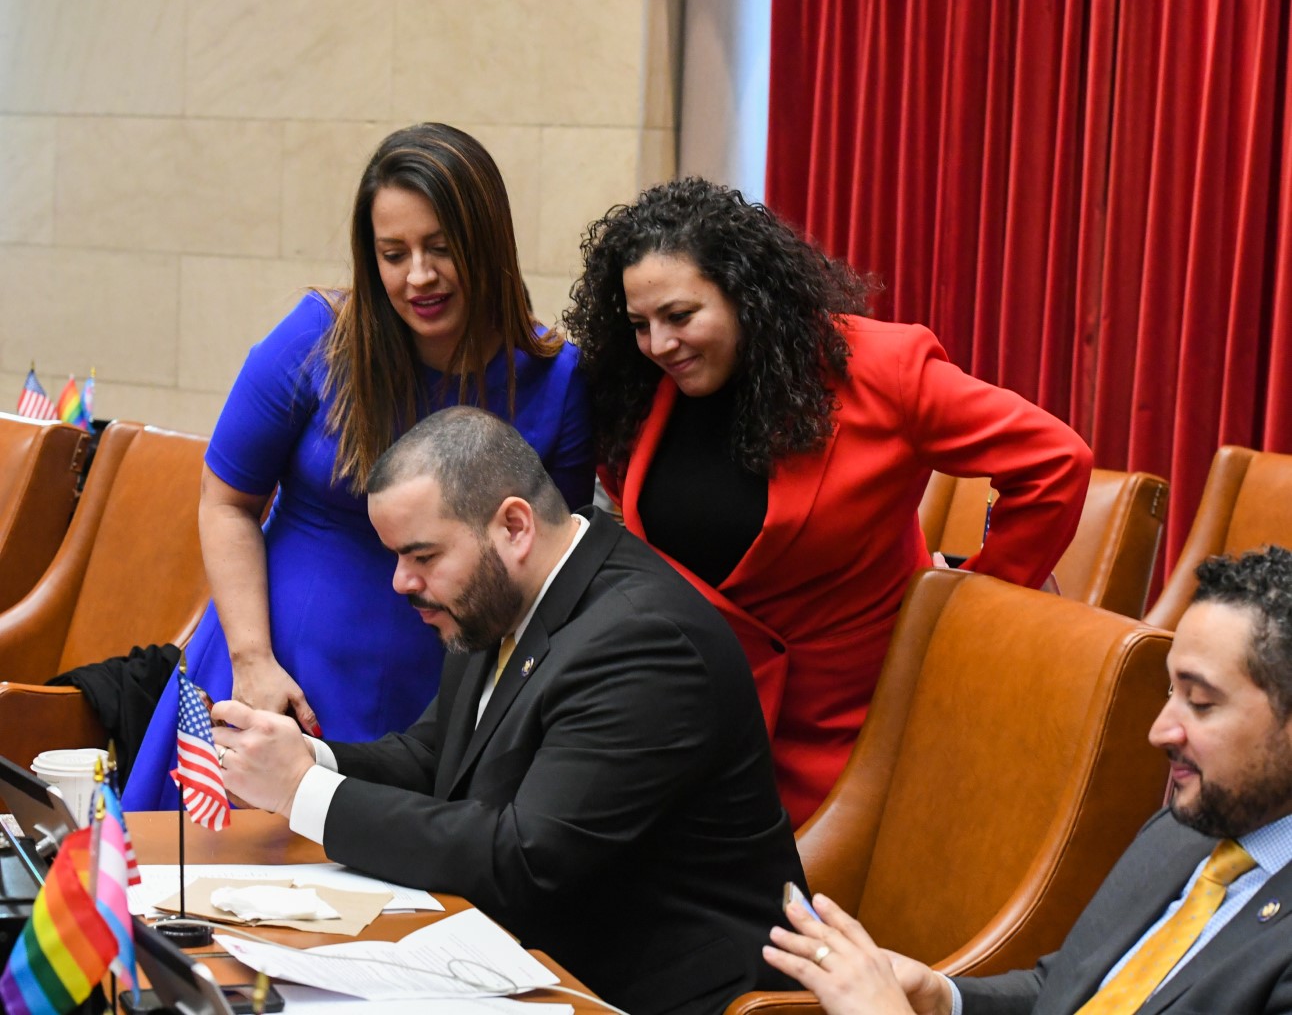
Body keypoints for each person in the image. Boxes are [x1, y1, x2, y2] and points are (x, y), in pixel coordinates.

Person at [210, 407, 806, 1015]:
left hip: (660, 993)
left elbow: (527, 860)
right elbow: (437, 758)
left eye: (421, 555)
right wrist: (309, 759)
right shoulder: (503, 594)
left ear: (514, 526)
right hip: (536, 960)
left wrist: (306, 793)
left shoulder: (644, 640)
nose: (399, 582)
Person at [563, 177, 1093, 826]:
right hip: (690, 737)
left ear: (746, 294)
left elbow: (1055, 462)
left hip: (847, 746)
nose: (658, 344)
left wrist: (961, 613)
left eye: (680, 317)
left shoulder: (880, 370)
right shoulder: (640, 389)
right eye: (639, 324)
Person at [124, 124, 593, 811]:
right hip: (279, 674)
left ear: (488, 242)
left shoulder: (556, 377)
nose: (418, 277)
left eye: (441, 247)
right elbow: (225, 502)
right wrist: (253, 662)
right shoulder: (316, 339)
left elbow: (549, 567)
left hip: (437, 703)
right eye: (392, 253)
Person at [765, 544, 1292, 1014]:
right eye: (1169, 692)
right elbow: (1066, 989)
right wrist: (944, 997)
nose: (1159, 732)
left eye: (1200, 703)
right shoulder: (1190, 827)